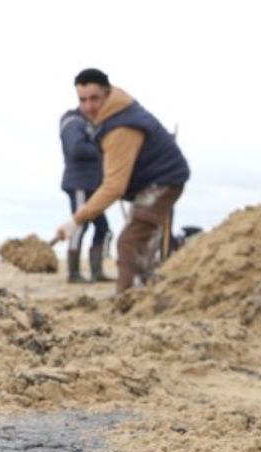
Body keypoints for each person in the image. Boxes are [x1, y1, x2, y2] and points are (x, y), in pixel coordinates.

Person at [53, 69, 190, 294]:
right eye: (82, 99)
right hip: (150, 182)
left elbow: (114, 187)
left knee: (129, 241)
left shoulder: (121, 127)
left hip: (162, 181)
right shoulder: (113, 113)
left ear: (107, 94)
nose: (88, 107)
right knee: (142, 240)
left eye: (94, 98)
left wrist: (76, 220)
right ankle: (145, 289)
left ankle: (127, 299)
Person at [59, 102, 111, 283]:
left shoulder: (92, 125)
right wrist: (104, 149)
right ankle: (73, 273)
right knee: (80, 225)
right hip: (80, 182)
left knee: (103, 228)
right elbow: (76, 148)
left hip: (95, 185)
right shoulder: (72, 122)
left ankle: (97, 271)